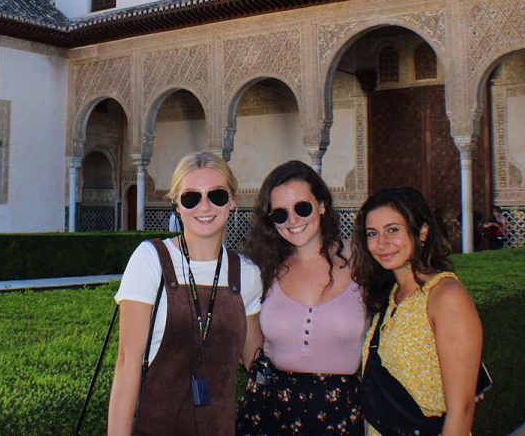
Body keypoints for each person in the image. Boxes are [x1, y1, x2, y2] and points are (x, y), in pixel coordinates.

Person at [108, 152, 263, 436]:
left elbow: (256, 359)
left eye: (216, 195)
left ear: (232, 201)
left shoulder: (247, 274)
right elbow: (128, 360)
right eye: (191, 197)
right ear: (177, 205)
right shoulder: (152, 260)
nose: (204, 206)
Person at [238, 160, 366, 434]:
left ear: (321, 205)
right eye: (280, 214)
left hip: (340, 413)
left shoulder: (362, 261)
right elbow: (247, 343)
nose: (293, 220)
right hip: (269, 412)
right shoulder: (262, 268)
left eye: (302, 207)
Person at [353, 187, 483, 436]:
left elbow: (462, 408)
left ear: (422, 231)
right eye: (372, 233)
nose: (382, 243)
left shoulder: (445, 297)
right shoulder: (390, 296)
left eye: (393, 230)